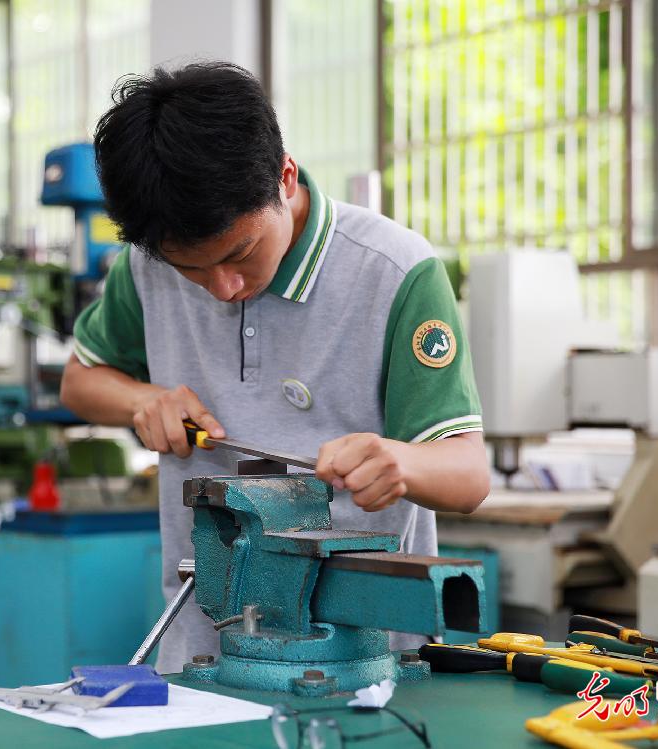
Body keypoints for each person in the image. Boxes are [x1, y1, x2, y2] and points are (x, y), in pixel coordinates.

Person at [60, 63, 491, 672]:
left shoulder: (394, 271)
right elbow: (79, 382)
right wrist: (141, 402)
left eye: (241, 253)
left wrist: (402, 462)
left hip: (363, 663)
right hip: (202, 652)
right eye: (192, 270)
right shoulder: (146, 266)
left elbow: (469, 475)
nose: (223, 288)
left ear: (284, 177)